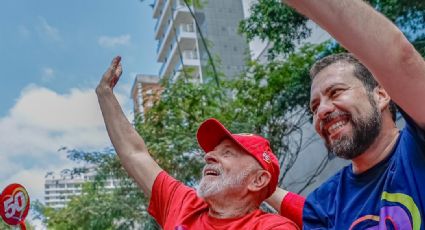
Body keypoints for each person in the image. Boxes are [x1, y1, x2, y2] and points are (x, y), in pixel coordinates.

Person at [267, 0, 425, 228]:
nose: (321, 111)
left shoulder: (418, 145)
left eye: (336, 92)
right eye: (314, 107)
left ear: (381, 95)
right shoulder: (323, 203)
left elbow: (402, 58)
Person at [95, 56, 299, 229]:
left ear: (258, 180)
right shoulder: (183, 204)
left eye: (227, 153)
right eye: (214, 151)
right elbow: (135, 154)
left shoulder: (273, 227)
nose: (209, 155)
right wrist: (105, 94)